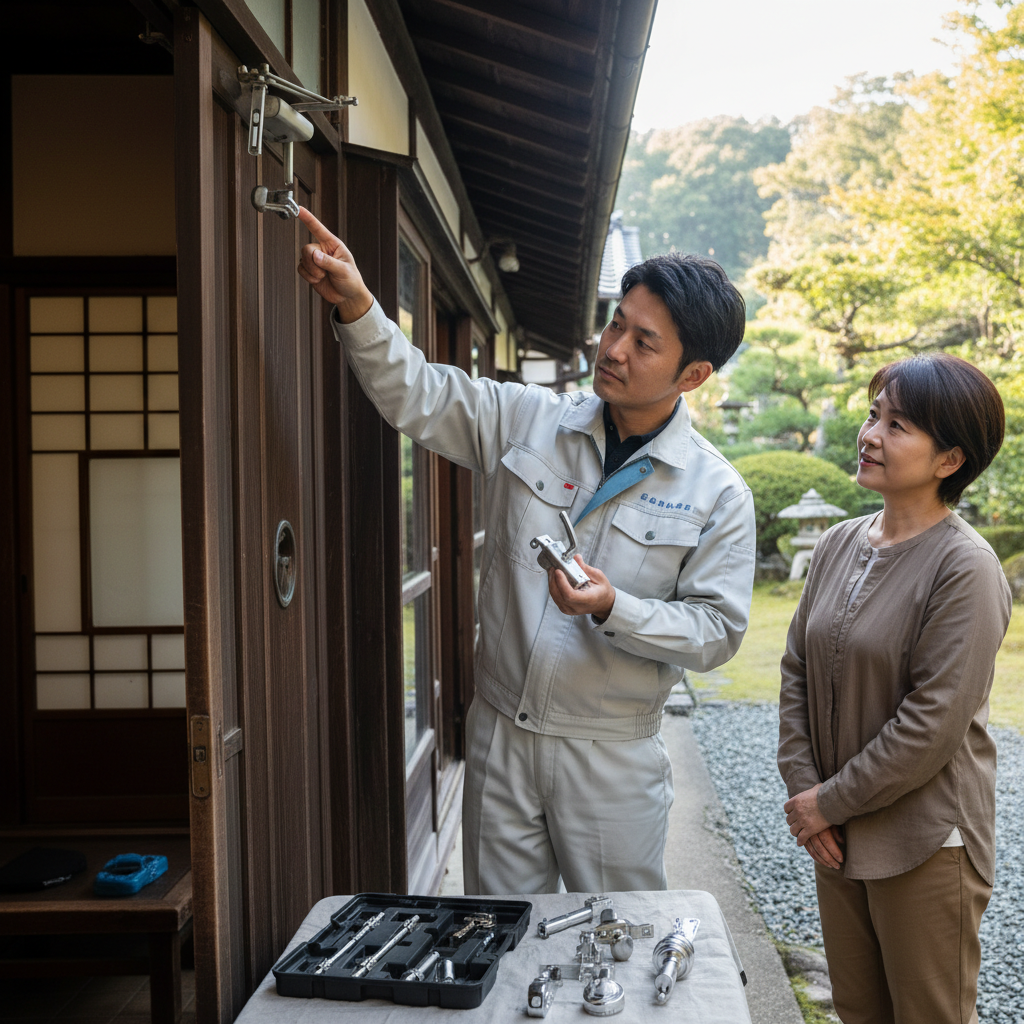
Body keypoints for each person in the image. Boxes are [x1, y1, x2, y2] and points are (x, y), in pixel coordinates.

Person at [296, 207, 756, 895]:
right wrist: (361, 306)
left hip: (613, 753)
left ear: (692, 376)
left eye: (644, 341)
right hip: (500, 733)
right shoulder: (529, 418)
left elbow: (716, 632)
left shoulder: (718, 493)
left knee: (618, 943)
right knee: (499, 940)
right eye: (616, 324)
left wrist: (615, 608)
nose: (614, 348)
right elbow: (420, 394)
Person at [778, 353, 1010, 1024]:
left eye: (898, 424)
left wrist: (828, 801)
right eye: (873, 414)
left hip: (925, 840)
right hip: (833, 829)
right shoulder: (839, 543)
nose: (870, 434)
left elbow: (931, 725)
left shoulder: (965, 568)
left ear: (949, 460)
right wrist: (805, 792)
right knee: (857, 1010)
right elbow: (795, 667)